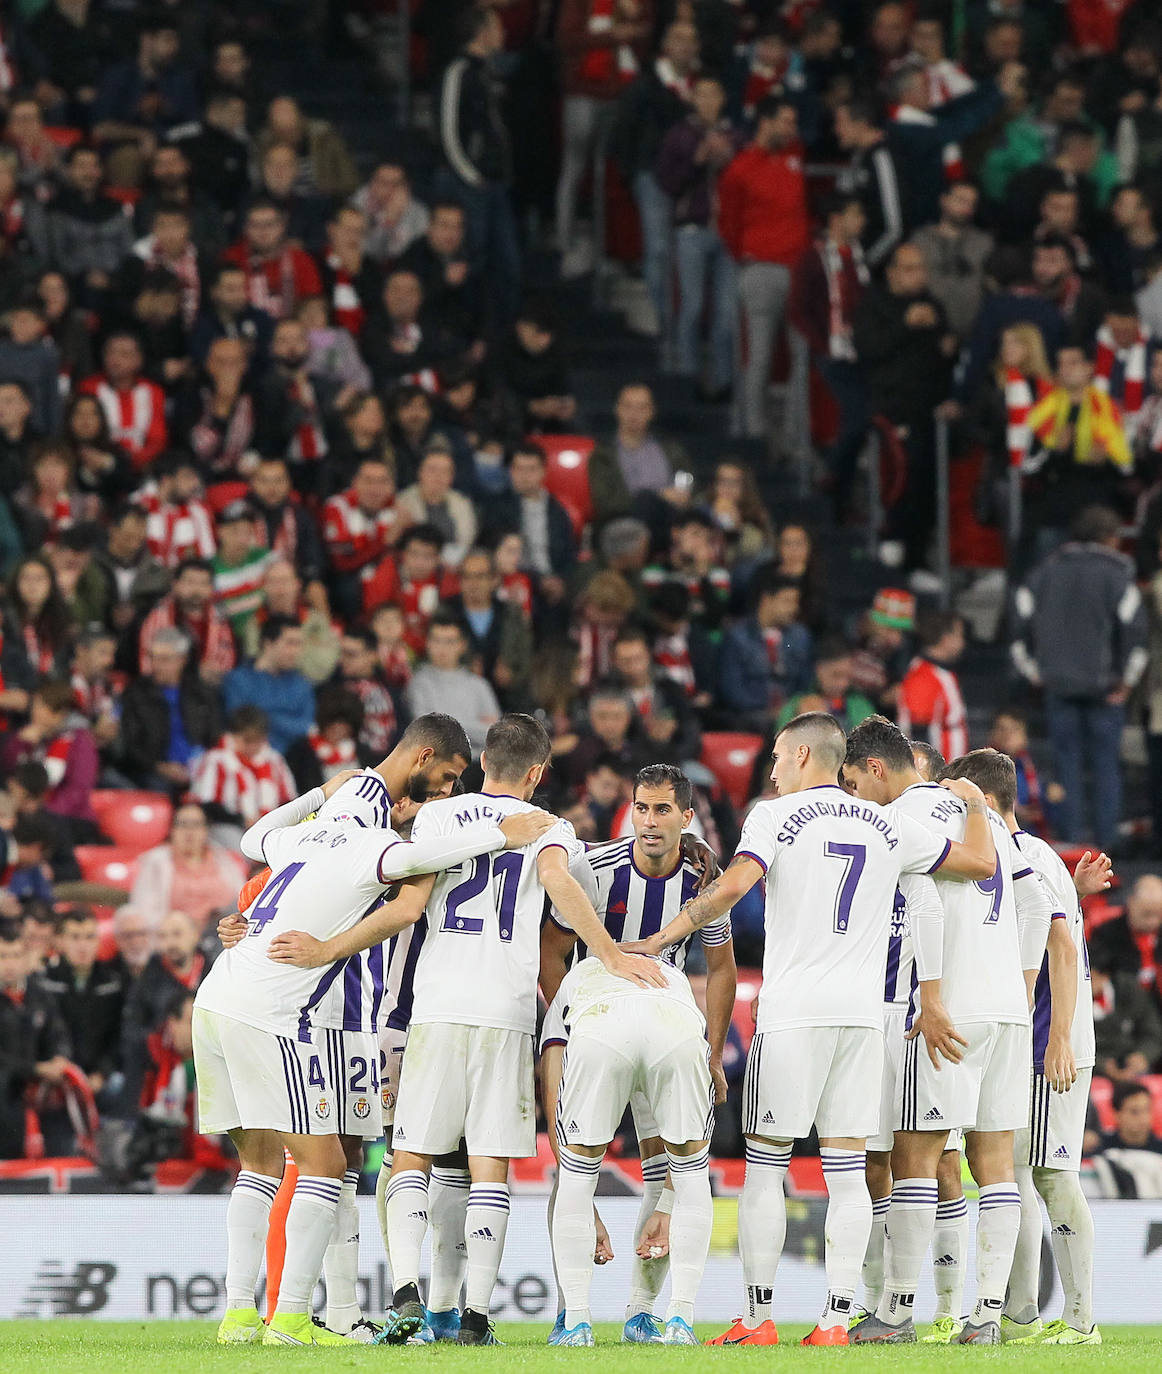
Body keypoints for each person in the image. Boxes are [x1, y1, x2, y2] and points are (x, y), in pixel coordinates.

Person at [630, 712, 995, 1346]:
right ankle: (833, 1320)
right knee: (848, 1169)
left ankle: (756, 1317)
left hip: (794, 1011)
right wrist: (975, 803)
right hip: (861, 1018)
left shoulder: (773, 815)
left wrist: (662, 937)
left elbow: (735, 886)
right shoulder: (891, 823)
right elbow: (980, 864)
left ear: (802, 756)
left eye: (776, 755)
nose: (769, 768)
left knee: (767, 1164)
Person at [300, 714, 662, 1343]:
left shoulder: (437, 818)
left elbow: (388, 888)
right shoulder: (549, 828)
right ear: (538, 773)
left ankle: (407, 1293)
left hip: (435, 1004)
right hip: (508, 1009)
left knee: (411, 1153)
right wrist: (609, 954)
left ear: (482, 763)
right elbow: (557, 881)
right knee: (489, 1165)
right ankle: (474, 1315)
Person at [194, 718, 556, 1345]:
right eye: (439, 780)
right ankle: (299, 1317)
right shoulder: (378, 849)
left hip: (243, 999)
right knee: (329, 1166)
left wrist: (249, 915)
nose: (439, 796)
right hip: (319, 1015)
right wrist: (503, 829)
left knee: (276, 1164)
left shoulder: (306, 843)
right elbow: (414, 887)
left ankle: (249, 1314)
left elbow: (258, 842)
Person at [841, 733, 1053, 1346]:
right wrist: (1018, 984)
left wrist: (932, 998)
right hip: (1006, 1011)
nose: (858, 799)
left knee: (916, 1154)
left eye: (855, 785)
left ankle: (899, 1312)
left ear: (877, 770)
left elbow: (926, 906)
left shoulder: (905, 817)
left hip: (947, 1011)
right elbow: (1035, 900)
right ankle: (986, 1316)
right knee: (994, 1162)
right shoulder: (973, 810)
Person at [539, 763, 736, 1343]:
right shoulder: (594, 868)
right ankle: (646, 1314)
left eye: (661, 810)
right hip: (605, 1015)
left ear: (686, 816)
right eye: (640, 808)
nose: (648, 822)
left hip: (664, 1021)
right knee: (682, 1168)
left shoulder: (703, 884)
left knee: (619, 1161)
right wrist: (566, 1015)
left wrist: (714, 1051)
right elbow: (552, 951)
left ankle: (633, 1311)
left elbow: (721, 969)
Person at [1012, 505, 1146, 851]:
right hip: (1105, 688)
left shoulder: (1046, 570)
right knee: (1105, 765)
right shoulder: (1117, 574)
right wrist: (1128, 681)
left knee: (1064, 764)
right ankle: (1106, 845)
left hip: (1057, 684)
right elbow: (1135, 633)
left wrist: (1033, 671)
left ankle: (1068, 840)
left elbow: (1020, 617)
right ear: (1111, 538)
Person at [718, 97, 810, 442]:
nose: (791, 129)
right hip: (761, 270)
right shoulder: (740, 169)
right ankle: (754, 434)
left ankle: (794, 436)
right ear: (765, 122)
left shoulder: (794, 156)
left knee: (802, 357)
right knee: (758, 356)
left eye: (793, 123)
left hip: (799, 270)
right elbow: (728, 223)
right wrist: (748, 254)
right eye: (785, 121)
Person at [655, 75, 741, 399]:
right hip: (692, 229)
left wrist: (728, 159)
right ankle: (686, 381)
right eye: (701, 95)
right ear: (692, 99)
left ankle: (723, 383)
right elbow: (668, 183)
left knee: (727, 315)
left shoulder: (736, 135)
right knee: (691, 307)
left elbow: (743, 179)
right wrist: (698, 161)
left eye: (713, 94)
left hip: (727, 233)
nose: (707, 101)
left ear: (722, 98)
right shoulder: (679, 136)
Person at [435, 9, 521, 326]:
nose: (504, 33)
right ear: (481, 31)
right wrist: (471, 175)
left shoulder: (491, 72)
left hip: (495, 182)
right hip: (467, 183)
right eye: (498, 27)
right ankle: (468, 331)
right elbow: (446, 129)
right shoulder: (459, 70)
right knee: (472, 262)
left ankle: (500, 335)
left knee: (508, 265)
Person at [789, 192, 869, 520]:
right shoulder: (812, 257)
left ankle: (837, 483)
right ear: (836, 219)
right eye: (855, 215)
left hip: (858, 352)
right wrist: (821, 344)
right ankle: (834, 475)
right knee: (855, 416)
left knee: (859, 421)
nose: (862, 222)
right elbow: (798, 308)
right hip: (831, 352)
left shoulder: (860, 256)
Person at [35, 906, 128, 1103]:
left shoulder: (113, 982)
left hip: (101, 1078)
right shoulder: (43, 982)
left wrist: (103, 1073)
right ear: (60, 941)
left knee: (120, 1084)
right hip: (55, 1076)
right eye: (75, 937)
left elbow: (119, 1035)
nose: (83, 945)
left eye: (89, 937)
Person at [0, 923, 72, 1159]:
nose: (9, 964)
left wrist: (60, 1059)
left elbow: (58, 1033)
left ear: (27, 957)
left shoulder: (39, 994)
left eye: (16, 955)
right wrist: (36, 1068)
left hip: (39, 1085)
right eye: (2, 956)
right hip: (8, 1087)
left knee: (65, 1092)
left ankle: (64, 1166)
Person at [129, 802, 246, 933]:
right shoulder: (156, 862)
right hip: (174, 935)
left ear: (206, 830)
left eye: (196, 825)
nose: (189, 832)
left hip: (222, 934)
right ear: (172, 830)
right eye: (183, 825)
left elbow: (241, 900)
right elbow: (145, 912)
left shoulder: (223, 858)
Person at [406, 614, 501, 758]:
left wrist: (446, 724)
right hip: (436, 764)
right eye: (437, 640)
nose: (442, 648)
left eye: (449, 641)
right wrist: (476, 726)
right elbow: (427, 732)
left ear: (462, 645)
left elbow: (495, 734)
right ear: (428, 643)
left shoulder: (479, 685)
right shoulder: (417, 683)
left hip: (479, 765)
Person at [191, 705, 296, 832]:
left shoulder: (274, 760)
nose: (252, 746)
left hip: (270, 827)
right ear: (233, 735)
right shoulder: (217, 759)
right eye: (247, 741)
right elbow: (207, 806)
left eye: (257, 741)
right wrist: (240, 820)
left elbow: (289, 800)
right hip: (227, 826)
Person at [912, 181, 994, 342]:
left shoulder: (984, 243)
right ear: (944, 200)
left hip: (973, 334)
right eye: (961, 200)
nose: (967, 208)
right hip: (926, 335)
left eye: (972, 203)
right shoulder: (920, 240)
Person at [223, 615, 315, 758]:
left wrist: (265, 715)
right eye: (290, 643)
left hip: (295, 758)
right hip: (249, 757)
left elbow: (307, 727)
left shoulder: (302, 684)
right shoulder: (238, 680)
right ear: (268, 643)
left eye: (299, 644)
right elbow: (241, 724)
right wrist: (283, 720)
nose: (296, 651)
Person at [137, 556, 236, 682]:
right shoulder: (156, 617)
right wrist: (194, 673)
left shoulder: (221, 618)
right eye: (190, 582)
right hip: (165, 690)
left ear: (211, 589)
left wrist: (215, 672)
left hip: (210, 690)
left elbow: (227, 662)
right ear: (175, 585)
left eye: (203, 583)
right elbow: (148, 666)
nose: (196, 590)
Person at [896, 611, 968, 764]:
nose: (963, 643)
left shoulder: (940, 672)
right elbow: (918, 730)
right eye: (959, 635)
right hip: (936, 775)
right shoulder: (923, 675)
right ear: (945, 638)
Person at [1087, 874, 1162, 1010]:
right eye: (1146, 914)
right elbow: (1094, 973)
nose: (1153, 921)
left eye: (1158, 915)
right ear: (1131, 903)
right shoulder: (1108, 933)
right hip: (1122, 1007)